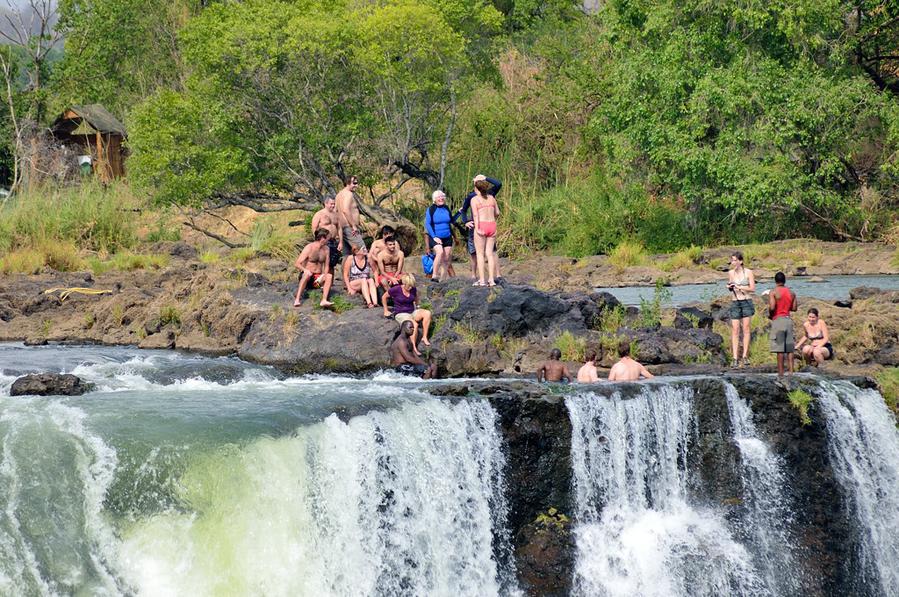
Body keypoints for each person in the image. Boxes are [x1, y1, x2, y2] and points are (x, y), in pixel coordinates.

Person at [455, 174, 503, 281]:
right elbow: (463, 210)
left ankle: (497, 274)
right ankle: (474, 274)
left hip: (483, 226)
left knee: (491, 251)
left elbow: (498, 184)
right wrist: (466, 221)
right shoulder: (471, 196)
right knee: (474, 252)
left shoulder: (489, 193)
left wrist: (485, 178)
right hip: (478, 226)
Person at [382, 273, 432, 355]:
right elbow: (384, 297)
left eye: (412, 286)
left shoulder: (413, 289)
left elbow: (416, 298)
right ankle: (414, 347)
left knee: (427, 313)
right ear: (404, 283)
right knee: (413, 324)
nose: (411, 287)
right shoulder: (396, 289)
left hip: (412, 311)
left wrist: (418, 306)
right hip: (401, 313)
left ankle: (424, 337)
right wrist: (385, 310)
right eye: (409, 286)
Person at [727, 251, 756, 368]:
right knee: (735, 329)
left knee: (746, 329)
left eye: (735, 260)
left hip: (746, 301)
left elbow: (752, 288)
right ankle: (735, 358)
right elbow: (730, 286)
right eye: (732, 260)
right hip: (735, 301)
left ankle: (745, 356)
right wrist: (729, 287)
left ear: (740, 261)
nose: (733, 262)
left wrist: (740, 287)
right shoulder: (731, 273)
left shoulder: (748, 272)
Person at [293, 228, 335, 308]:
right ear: (322, 238)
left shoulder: (326, 249)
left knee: (329, 276)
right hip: (307, 277)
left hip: (317, 280)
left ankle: (324, 300)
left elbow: (326, 265)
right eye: (328, 238)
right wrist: (305, 270)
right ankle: (297, 299)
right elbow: (297, 263)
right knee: (307, 274)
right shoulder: (309, 247)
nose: (329, 240)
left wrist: (325, 276)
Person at [768, 271, 797, 376]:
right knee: (789, 348)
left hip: (778, 320)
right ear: (785, 281)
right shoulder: (792, 293)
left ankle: (781, 374)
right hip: (788, 320)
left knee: (780, 349)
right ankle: (791, 372)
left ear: (775, 281)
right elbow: (794, 308)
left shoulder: (773, 292)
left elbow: (772, 307)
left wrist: (771, 315)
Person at [471, 179, 500, 287]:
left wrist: (477, 228)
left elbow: (475, 215)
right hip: (492, 225)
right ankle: (491, 280)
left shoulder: (475, 199)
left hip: (481, 225)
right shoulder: (492, 198)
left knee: (480, 254)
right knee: (490, 253)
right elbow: (497, 212)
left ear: (476, 188)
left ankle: (482, 280)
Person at [424, 190, 454, 282]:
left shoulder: (446, 208)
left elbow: (451, 221)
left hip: (447, 236)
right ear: (434, 199)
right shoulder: (431, 209)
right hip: (435, 236)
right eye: (438, 197)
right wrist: (434, 236)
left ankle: (443, 279)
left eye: (442, 197)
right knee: (440, 252)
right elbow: (427, 224)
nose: (441, 198)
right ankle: (434, 276)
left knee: (446, 258)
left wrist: (460, 212)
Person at [310, 197, 342, 275]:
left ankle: (329, 283)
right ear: (326, 203)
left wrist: (341, 242)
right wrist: (318, 242)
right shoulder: (319, 214)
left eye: (334, 204)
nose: (333, 205)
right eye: (331, 204)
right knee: (322, 262)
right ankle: (320, 282)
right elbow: (314, 228)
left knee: (332, 263)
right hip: (323, 241)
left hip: (333, 241)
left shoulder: (336, 214)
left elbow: (339, 228)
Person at [336, 175, 365, 256]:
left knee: (347, 256)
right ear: (347, 183)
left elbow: (335, 211)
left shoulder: (338, 195)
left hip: (343, 229)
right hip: (350, 229)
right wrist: (353, 226)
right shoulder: (349, 194)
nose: (357, 185)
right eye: (354, 183)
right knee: (363, 252)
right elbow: (345, 210)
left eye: (357, 183)